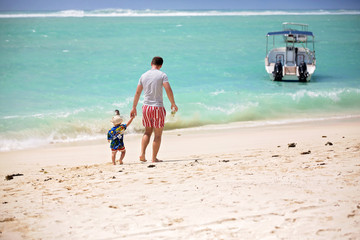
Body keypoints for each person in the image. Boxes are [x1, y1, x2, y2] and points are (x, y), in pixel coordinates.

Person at [130, 56, 178, 163]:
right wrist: (173, 103)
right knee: (157, 134)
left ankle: (142, 154)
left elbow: (137, 93)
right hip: (157, 107)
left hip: (146, 107)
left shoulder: (143, 75)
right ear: (160, 65)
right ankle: (153, 158)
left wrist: (134, 107)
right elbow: (168, 89)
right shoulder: (162, 75)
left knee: (147, 132)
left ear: (151, 63)